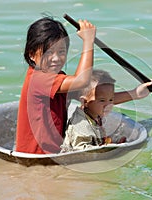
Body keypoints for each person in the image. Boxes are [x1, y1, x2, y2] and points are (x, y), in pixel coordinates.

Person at [15, 16, 96, 154]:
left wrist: (135, 93)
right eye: (49, 52)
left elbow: (92, 96)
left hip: (53, 155)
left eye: (61, 52)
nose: (56, 58)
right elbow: (81, 81)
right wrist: (88, 41)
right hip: (35, 160)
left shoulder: (58, 79)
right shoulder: (37, 80)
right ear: (32, 55)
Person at [61, 69, 152, 152]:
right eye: (102, 100)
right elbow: (80, 151)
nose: (108, 105)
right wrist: (107, 149)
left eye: (111, 100)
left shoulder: (94, 114)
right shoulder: (81, 124)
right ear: (84, 101)